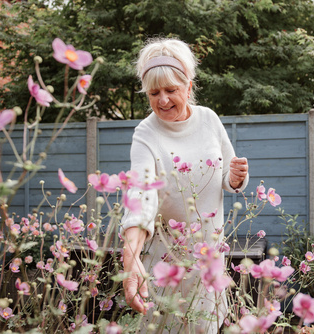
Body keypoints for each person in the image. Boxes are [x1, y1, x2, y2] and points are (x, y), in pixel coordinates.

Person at [120, 37, 249, 333]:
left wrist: (237, 178)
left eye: (170, 90)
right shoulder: (145, 134)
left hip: (208, 262)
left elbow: (230, 179)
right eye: (154, 93)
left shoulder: (209, 120)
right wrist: (131, 259)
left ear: (188, 86)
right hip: (166, 264)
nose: (162, 100)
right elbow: (141, 196)